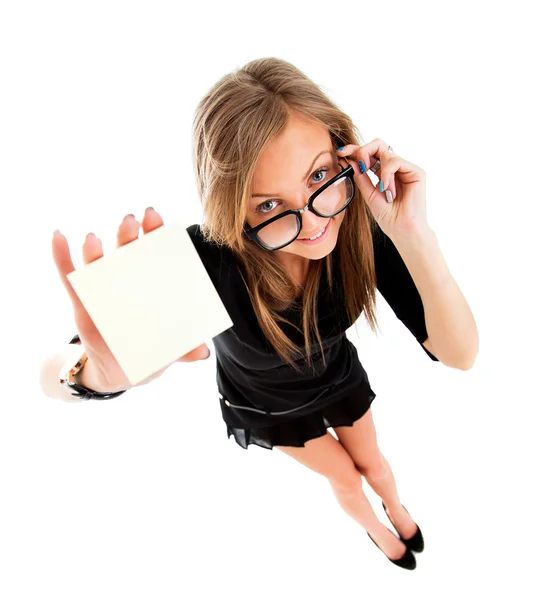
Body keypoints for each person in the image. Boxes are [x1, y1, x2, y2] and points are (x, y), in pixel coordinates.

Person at [43, 57, 474, 571]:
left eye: (318, 175)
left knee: (374, 461)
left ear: (344, 153)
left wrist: (415, 236)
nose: (312, 220)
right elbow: (50, 376)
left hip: (336, 377)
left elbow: (460, 354)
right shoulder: (207, 258)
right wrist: (96, 375)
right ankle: (378, 530)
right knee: (344, 475)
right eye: (269, 207)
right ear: (233, 207)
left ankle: (398, 508)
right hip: (265, 402)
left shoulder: (358, 221)